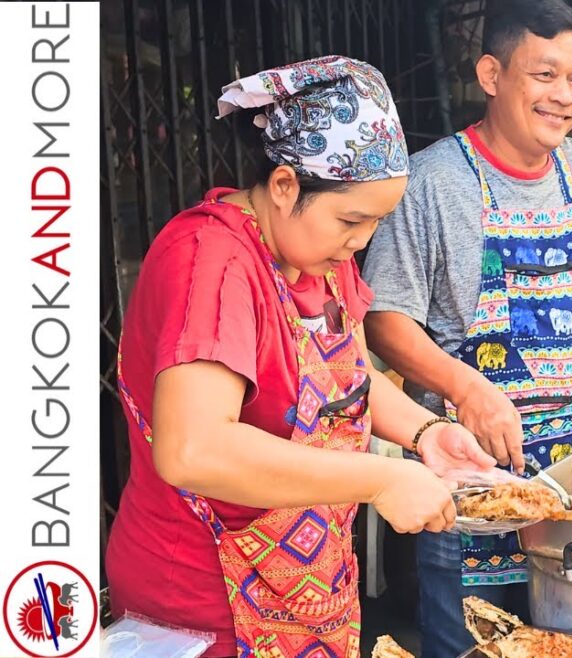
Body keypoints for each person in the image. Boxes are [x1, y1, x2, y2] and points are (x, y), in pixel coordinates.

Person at [106, 57, 498, 658]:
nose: (361, 241)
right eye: (351, 219)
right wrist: (382, 477)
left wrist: (425, 433)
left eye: (376, 221)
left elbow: (350, 377)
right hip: (203, 603)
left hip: (310, 584)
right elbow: (194, 448)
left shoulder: (323, 258)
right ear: (286, 185)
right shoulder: (211, 264)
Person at [359, 3, 572, 656]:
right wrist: (465, 387)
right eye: (544, 74)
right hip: (476, 491)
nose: (564, 96)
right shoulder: (434, 182)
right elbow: (382, 320)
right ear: (492, 74)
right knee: (476, 645)